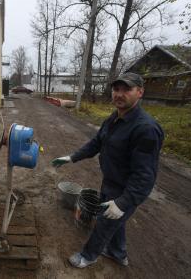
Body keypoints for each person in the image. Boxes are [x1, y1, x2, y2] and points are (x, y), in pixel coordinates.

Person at [51, 72, 164, 268]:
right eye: (116, 89)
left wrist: (123, 203)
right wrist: (71, 157)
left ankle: (88, 255)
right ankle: (118, 253)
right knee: (114, 221)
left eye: (126, 89)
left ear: (140, 92)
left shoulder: (145, 129)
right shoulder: (114, 118)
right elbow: (96, 143)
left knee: (105, 223)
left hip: (125, 190)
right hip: (111, 182)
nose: (119, 94)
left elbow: (145, 176)